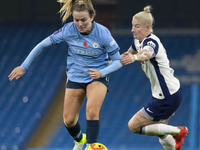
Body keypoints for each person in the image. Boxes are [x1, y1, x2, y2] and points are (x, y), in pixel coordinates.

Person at [8, 0, 123, 149]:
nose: (80, 24)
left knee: (92, 111)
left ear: (92, 17)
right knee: (69, 121)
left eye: (84, 20)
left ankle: (91, 146)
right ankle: (80, 140)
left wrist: (102, 72)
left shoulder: (103, 33)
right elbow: (42, 44)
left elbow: (118, 61)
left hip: (98, 76)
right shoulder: (68, 30)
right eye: (76, 20)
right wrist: (24, 66)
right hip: (75, 76)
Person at [120, 5, 188, 150]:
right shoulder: (138, 41)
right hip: (170, 93)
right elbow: (127, 54)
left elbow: (146, 54)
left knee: (133, 126)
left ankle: (179, 131)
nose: (132, 29)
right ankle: (175, 138)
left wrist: (134, 57)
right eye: (132, 26)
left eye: (137, 26)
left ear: (147, 27)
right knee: (161, 131)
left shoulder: (152, 41)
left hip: (166, 96)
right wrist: (111, 62)